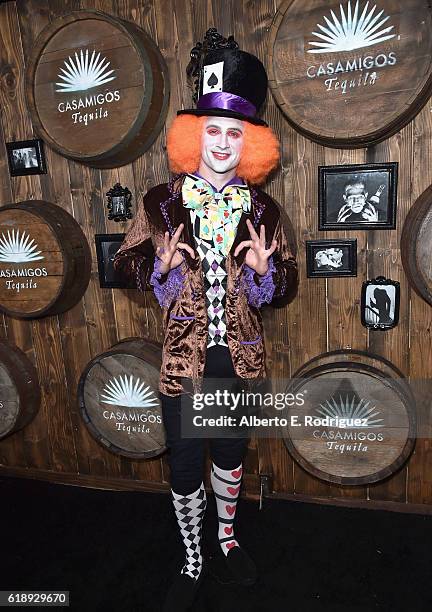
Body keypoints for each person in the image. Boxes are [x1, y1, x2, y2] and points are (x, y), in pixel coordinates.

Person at [113, 28, 298, 612]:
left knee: (230, 453)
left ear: (250, 142)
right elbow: (123, 264)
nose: (222, 143)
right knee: (187, 460)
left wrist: (269, 273)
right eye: (213, 131)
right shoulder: (160, 203)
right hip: (183, 362)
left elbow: (286, 282)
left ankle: (226, 539)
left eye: (234, 133)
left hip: (237, 361)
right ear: (197, 136)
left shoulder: (264, 209)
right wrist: (156, 266)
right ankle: (192, 558)